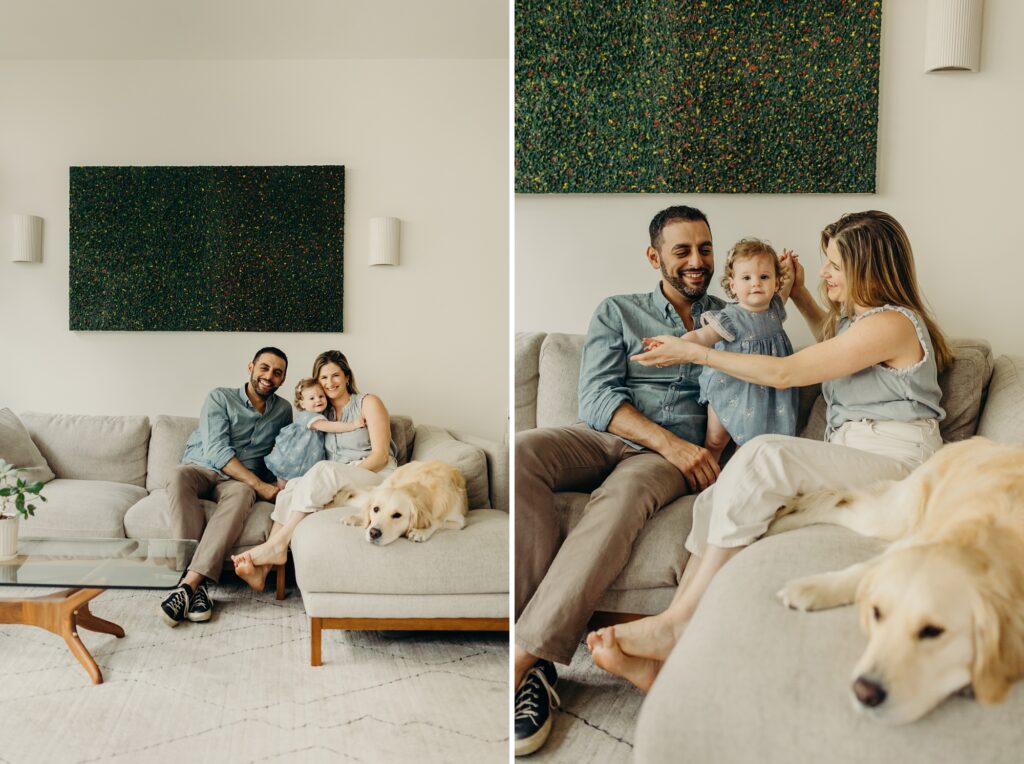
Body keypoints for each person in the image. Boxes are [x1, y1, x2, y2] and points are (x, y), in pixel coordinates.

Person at [586, 210, 952, 693]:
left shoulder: (893, 323)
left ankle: (677, 627)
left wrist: (695, 352)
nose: (824, 273)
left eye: (834, 265)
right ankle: (675, 649)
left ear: (867, 266)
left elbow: (788, 372)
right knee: (721, 494)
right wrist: (797, 292)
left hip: (899, 462)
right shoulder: (864, 326)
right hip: (858, 455)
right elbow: (837, 343)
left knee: (761, 455)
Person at [513, 205, 726, 756]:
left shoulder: (733, 319)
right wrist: (672, 442)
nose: (697, 261)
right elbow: (598, 398)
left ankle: (525, 660)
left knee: (624, 494)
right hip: (607, 434)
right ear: (655, 257)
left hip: (662, 464)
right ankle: (528, 632)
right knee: (522, 453)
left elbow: (755, 387)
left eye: (704, 248)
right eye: (683, 251)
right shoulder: (620, 311)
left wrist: (695, 450)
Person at [232, 349, 397, 591]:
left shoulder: (368, 403)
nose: (330, 383)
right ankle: (265, 570)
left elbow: (381, 456)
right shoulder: (321, 413)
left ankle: (277, 546)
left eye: (335, 376)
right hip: (340, 477)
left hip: (376, 474)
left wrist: (341, 474)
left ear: (347, 376)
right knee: (291, 489)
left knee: (325, 471)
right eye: (323, 378)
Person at [159, 347, 292, 626]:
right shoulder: (220, 397)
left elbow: (282, 451)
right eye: (264, 368)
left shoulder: (283, 411)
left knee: (244, 492)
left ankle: (189, 585)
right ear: (251, 368)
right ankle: (197, 585)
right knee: (177, 475)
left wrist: (279, 484)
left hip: (236, 483)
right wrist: (259, 484)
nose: (269, 376)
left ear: (282, 380)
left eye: (277, 373)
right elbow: (218, 451)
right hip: (201, 468)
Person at [676, 238, 798, 463]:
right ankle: (708, 478)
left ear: (776, 281)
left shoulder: (775, 309)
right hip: (728, 387)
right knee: (715, 439)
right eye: (746, 278)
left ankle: (739, 481)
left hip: (764, 391)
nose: (756, 284)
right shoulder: (730, 317)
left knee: (750, 445)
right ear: (733, 285)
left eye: (764, 277)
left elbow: (787, 288)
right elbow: (703, 336)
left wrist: (788, 267)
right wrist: (679, 344)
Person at [264, 378, 367, 487]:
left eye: (321, 396)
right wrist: (353, 425)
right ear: (302, 404)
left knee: (291, 486)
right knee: (285, 487)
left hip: (300, 460)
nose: (318, 400)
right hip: (291, 460)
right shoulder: (310, 417)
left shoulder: (318, 415)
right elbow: (331, 426)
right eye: (312, 398)